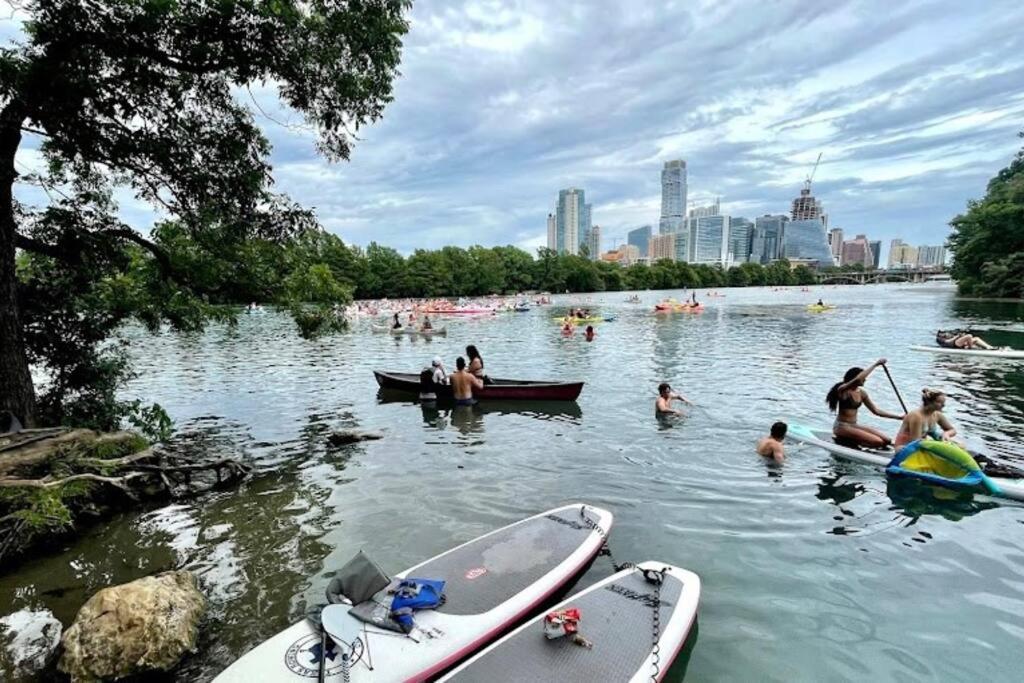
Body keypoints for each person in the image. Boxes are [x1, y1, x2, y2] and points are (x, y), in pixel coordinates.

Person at [826, 359, 903, 449]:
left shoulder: (862, 393)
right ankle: (849, 442)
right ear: (855, 379)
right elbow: (858, 378)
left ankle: (853, 440)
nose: (865, 379)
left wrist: (899, 417)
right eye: (864, 377)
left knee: (887, 440)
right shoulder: (843, 390)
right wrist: (876, 364)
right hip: (842, 426)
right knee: (877, 442)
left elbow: (876, 411)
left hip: (854, 425)